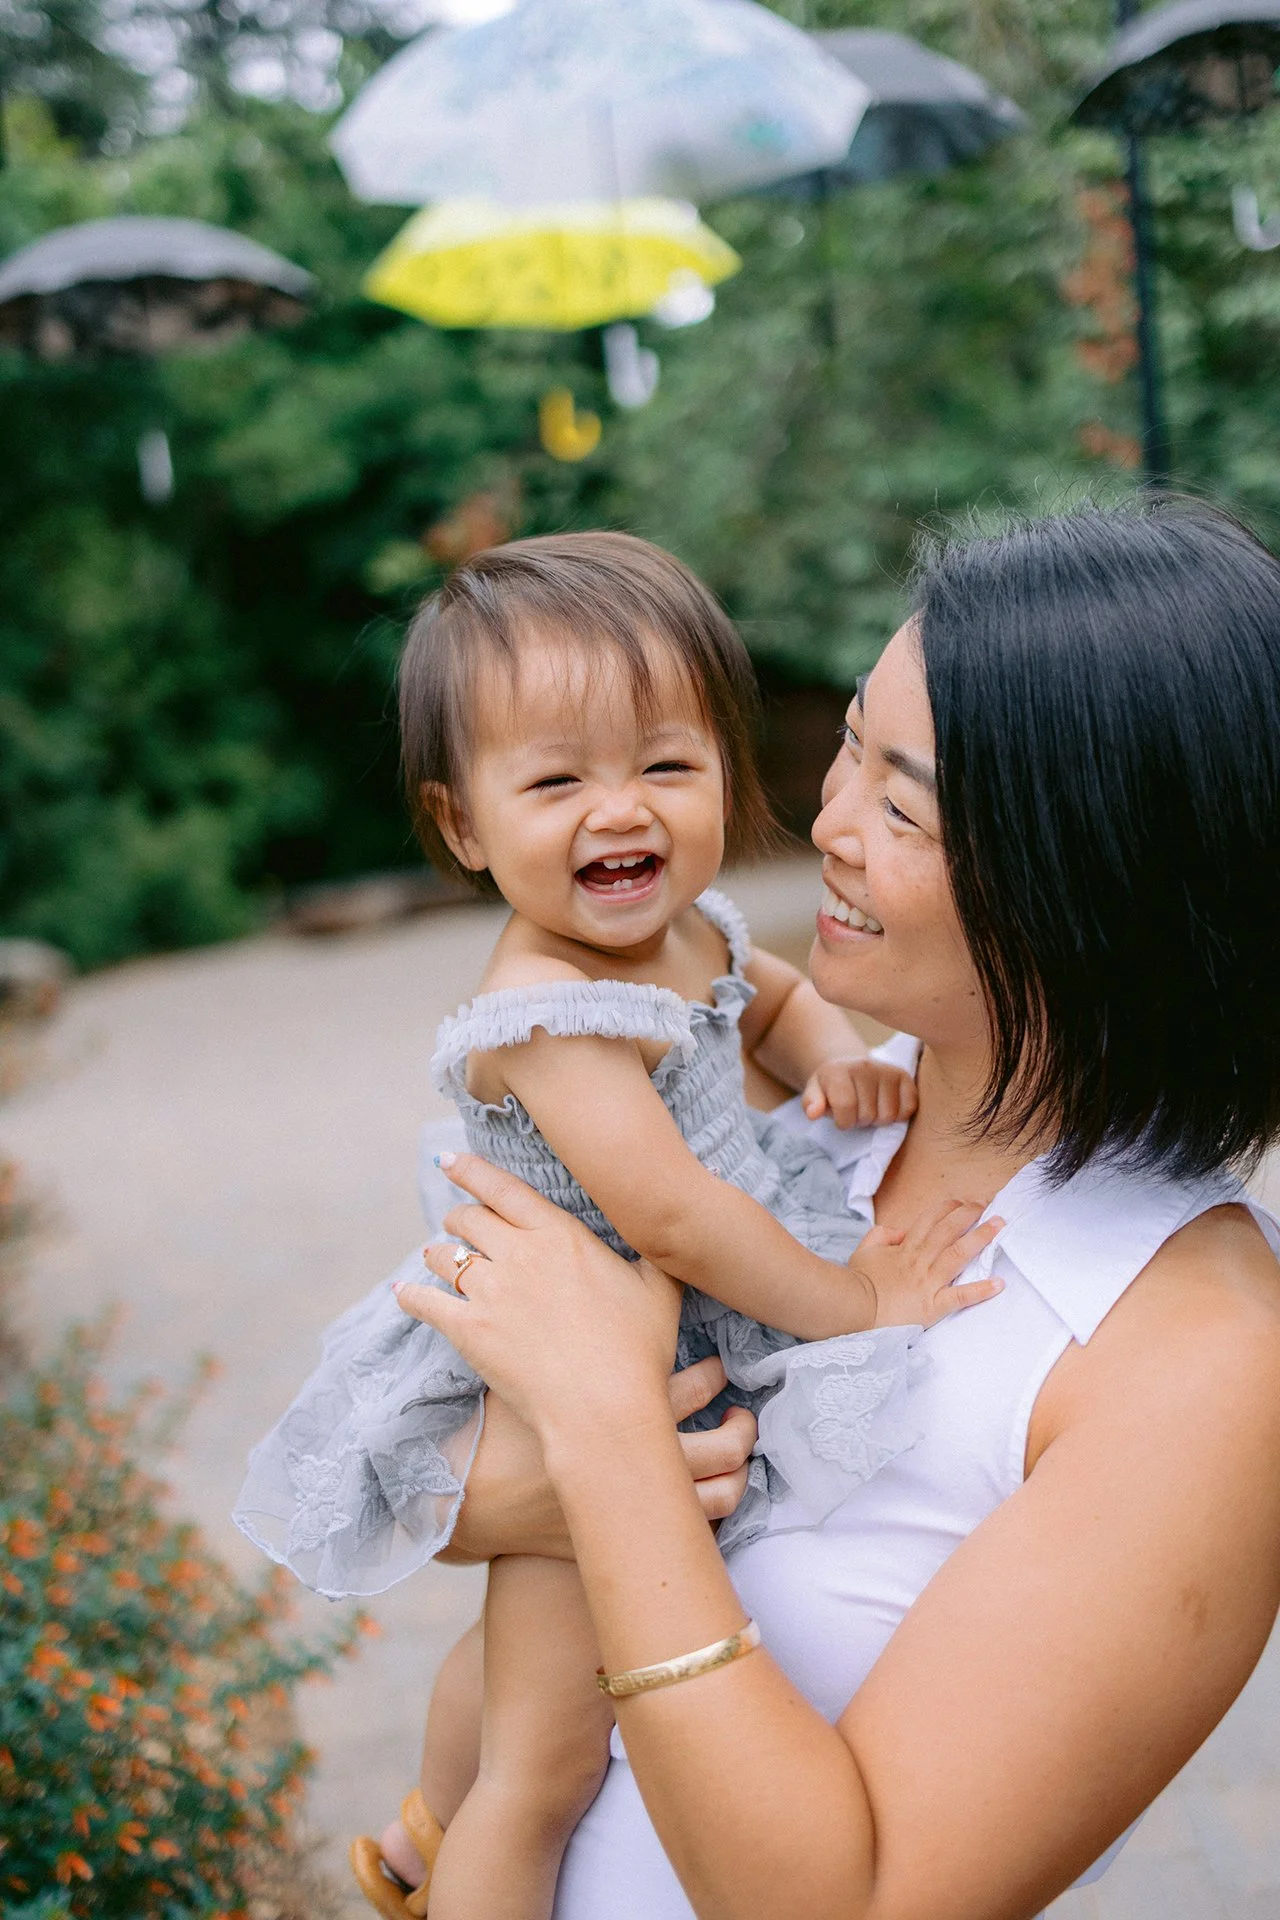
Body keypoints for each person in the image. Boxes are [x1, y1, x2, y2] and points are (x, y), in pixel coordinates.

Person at [394, 498, 1280, 1920]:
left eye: (900, 801)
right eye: (850, 748)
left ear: (1092, 877)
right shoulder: (827, 1122)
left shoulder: (1193, 1356)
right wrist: (497, 1489)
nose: (826, 824)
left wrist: (614, 1442)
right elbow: (480, 1470)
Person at [233, 533, 1002, 1920]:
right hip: (578, 1377)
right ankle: (452, 1869)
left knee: (540, 1656)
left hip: (656, 1352)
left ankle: (418, 1826)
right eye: (554, 782)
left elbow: (760, 999)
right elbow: (673, 1213)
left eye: (663, 764)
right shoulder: (550, 1012)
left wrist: (831, 1051)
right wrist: (858, 1303)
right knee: (552, 1757)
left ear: (724, 764)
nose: (619, 813)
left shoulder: (685, 929)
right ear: (462, 824)